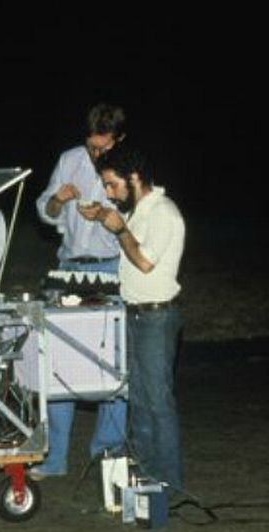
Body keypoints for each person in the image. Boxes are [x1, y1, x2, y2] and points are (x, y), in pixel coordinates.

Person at [80, 143, 185, 491]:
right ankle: (147, 479)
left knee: (157, 401)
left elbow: (145, 262)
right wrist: (109, 219)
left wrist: (119, 229)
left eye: (112, 184)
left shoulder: (164, 213)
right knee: (138, 401)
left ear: (134, 177)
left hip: (157, 317)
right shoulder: (140, 211)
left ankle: (168, 484)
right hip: (137, 314)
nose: (110, 193)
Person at [31, 103, 128, 479]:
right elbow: (46, 209)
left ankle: (107, 454)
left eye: (105, 147)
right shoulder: (70, 159)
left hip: (111, 267)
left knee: (112, 364)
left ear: (120, 138)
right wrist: (58, 200)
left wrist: (105, 215)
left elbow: (135, 220)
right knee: (60, 363)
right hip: (70, 267)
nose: (97, 153)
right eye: (92, 145)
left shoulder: (128, 166)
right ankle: (55, 458)